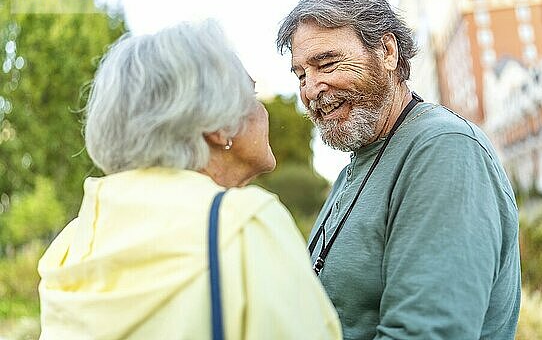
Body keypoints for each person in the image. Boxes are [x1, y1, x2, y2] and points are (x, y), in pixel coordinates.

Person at [38, 20, 342, 340]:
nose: (263, 110)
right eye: (250, 93)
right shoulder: (243, 224)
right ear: (218, 126)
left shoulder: (73, 241)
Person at [277, 0, 521, 340]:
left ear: (388, 51)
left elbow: (427, 333)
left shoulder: (445, 149)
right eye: (301, 75)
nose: (311, 90)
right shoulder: (351, 170)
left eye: (326, 64)